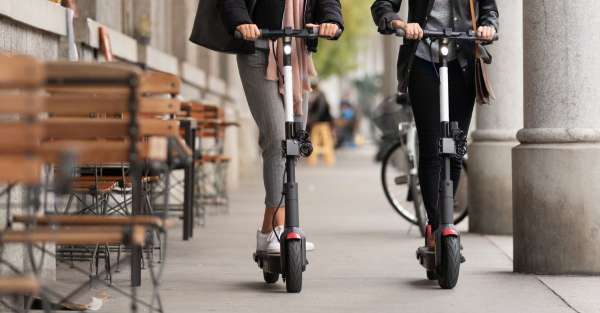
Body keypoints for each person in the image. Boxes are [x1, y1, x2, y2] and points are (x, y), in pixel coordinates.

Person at [371, 0, 498, 247]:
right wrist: (400, 23)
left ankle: (446, 221)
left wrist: (488, 26)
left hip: (463, 61)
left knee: (455, 148)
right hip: (423, 60)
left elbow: (489, 9)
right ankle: (436, 225)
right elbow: (382, 6)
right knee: (431, 147)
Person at [221, 0, 343, 253]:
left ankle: (269, 231)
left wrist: (331, 21)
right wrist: (242, 22)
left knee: (294, 143)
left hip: (297, 50)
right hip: (258, 49)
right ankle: (282, 228)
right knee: (278, 139)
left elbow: (328, 2)